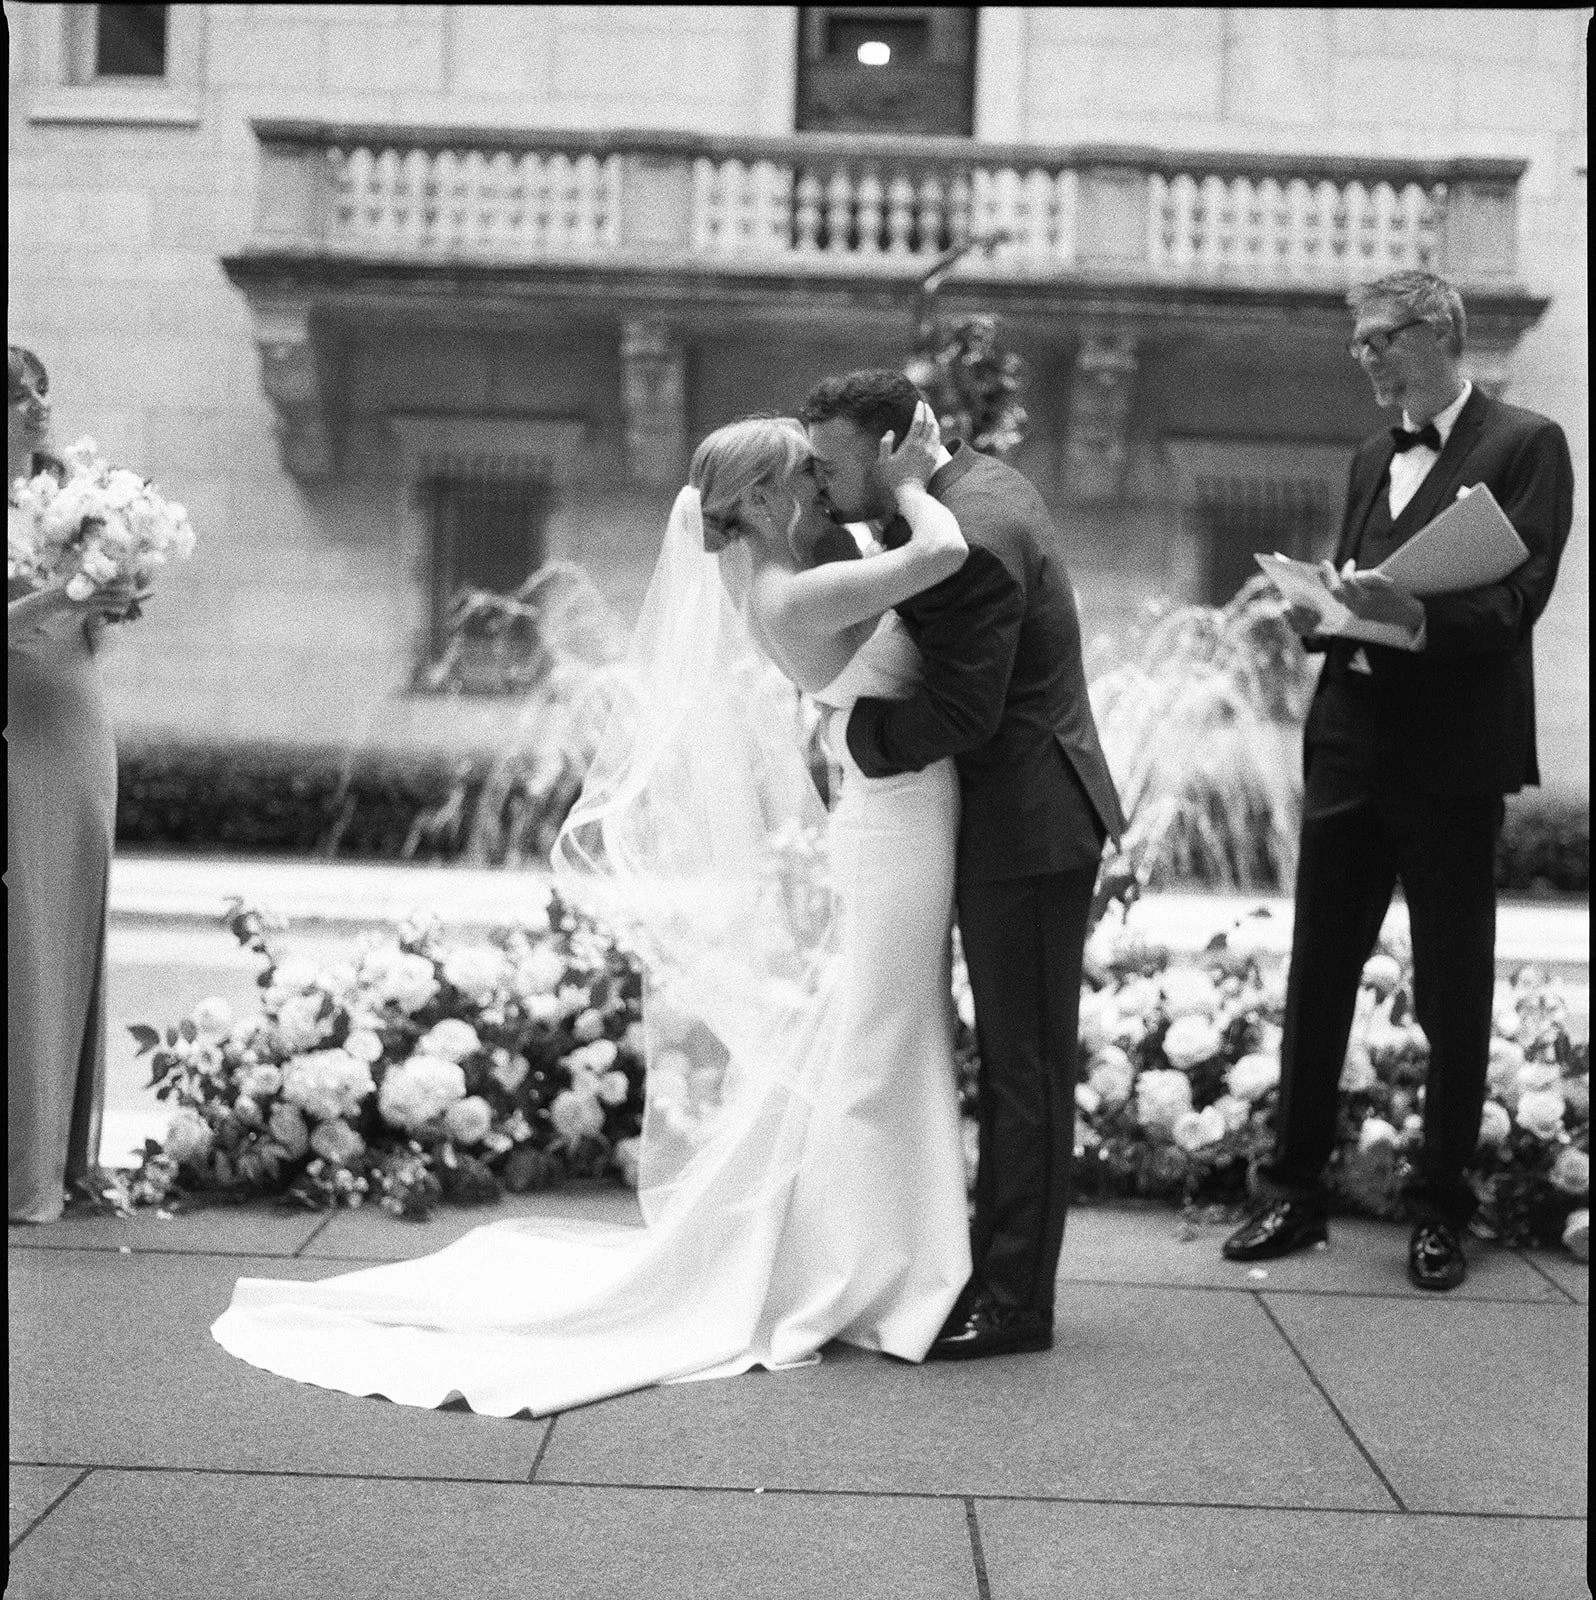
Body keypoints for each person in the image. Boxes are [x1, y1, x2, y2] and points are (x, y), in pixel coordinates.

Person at [211, 406, 980, 1417]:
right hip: (892, 816)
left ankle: (883, 1247)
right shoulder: (796, 589)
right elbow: (946, 550)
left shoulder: (786, 575)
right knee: (877, 1037)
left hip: (893, 806)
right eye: (806, 473)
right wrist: (918, 474)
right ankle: (870, 1261)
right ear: (759, 499)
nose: (825, 487)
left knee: (877, 1033)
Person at [1222, 270, 1575, 1290]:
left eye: (1379, 339)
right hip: (1350, 741)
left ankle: (1439, 1210)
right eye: (1360, 341)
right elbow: (1355, 584)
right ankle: (1289, 1191)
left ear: (1436, 334)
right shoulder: (1371, 453)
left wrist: (1417, 617)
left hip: (1454, 755)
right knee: (1317, 971)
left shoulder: (1526, 443)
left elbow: (1520, 597)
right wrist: (1318, 614)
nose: (1364, 358)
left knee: (1451, 986)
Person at [802, 370, 1126, 1359]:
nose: (817, 486)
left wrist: (849, 731)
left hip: (1026, 828)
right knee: (1019, 1061)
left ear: (895, 446)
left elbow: (962, 714)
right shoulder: (969, 486)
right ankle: (982, 1265)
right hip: (1015, 815)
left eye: (829, 466)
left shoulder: (971, 538)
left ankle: (1016, 1300)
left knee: (1025, 1069)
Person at [7, 345, 140, 1222]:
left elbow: (85, 626)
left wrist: (112, 598)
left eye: (43, 387)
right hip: (15, 733)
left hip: (77, 727)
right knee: (21, 933)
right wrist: (59, 595)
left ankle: (52, 1159)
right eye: (22, 393)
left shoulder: (66, 495)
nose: (40, 404)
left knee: (66, 925)